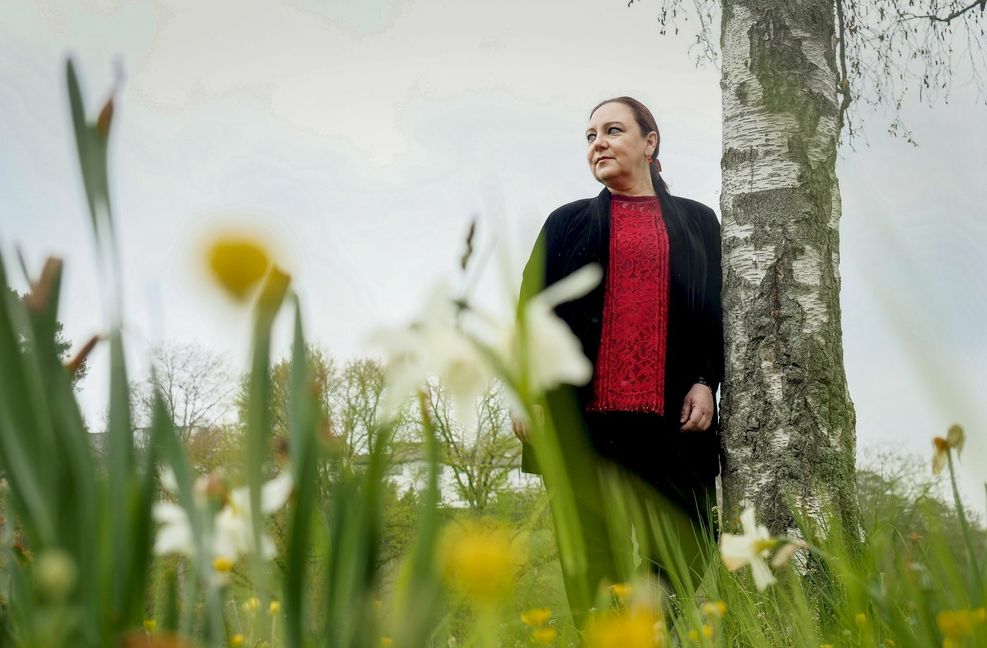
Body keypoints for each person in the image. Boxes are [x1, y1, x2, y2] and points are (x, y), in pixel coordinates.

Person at [512, 96, 724, 625]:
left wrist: (705, 379)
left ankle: (655, 627)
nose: (598, 143)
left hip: (671, 427)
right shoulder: (566, 224)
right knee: (592, 568)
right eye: (590, 136)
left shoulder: (698, 223)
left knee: (688, 540)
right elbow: (529, 316)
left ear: (650, 143)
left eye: (612, 130)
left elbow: (715, 309)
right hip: (583, 426)